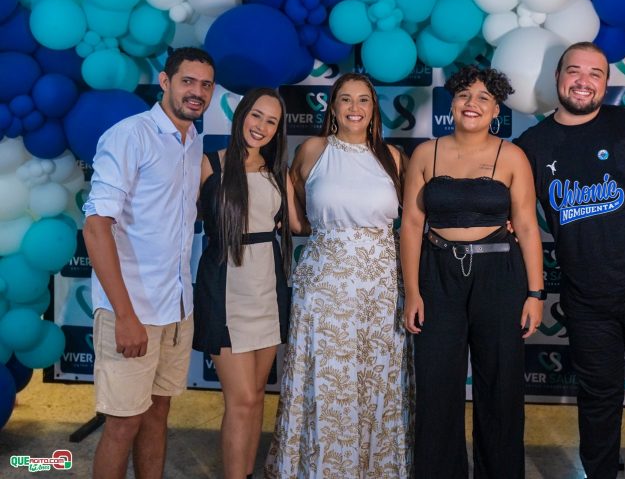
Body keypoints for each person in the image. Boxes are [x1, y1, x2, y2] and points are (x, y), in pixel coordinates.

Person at [516, 42, 625, 479]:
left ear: (606, 83)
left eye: (595, 73)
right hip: (586, 300)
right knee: (598, 400)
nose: (584, 81)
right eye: (574, 71)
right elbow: (510, 211)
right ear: (557, 77)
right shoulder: (532, 145)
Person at [264, 73, 412, 478]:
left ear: (374, 109)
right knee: (328, 379)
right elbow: (298, 218)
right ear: (332, 107)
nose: (354, 108)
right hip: (325, 283)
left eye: (363, 100)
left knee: (376, 378)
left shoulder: (394, 157)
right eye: (345, 99)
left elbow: (416, 220)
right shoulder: (313, 150)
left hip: (383, 286)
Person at [400, 65, 544, 478]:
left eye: (483, 98)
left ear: (497, 110)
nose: (472, 104)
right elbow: (411, 224)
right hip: (437, 274)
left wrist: (535, 294)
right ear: (452, 103)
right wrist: (413, 291)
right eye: (464, 95)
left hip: (499, 275)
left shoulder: (512, 156)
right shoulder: (425, 154)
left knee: (500, 386)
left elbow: (528, 227)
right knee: (436, 386)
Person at [82, 47, 215, 479]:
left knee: (158, 415)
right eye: (187, 81)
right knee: (123, 425)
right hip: (132, 309)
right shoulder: (129, 136)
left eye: (205, 85)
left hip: (176, 308)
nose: (196, 92)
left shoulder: (193, 142)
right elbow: (96, 228)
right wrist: (125, 315)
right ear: (164, 81)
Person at [192, 88, 302, 479]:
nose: (261, 127)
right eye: (256, 115)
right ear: (241, 115)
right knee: (239, 400)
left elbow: (298, 224)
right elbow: (178, 217)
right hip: (225, 291)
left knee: (256, 398)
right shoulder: (209, 164)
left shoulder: (278, 173)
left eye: (271, 121)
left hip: (268, 292)